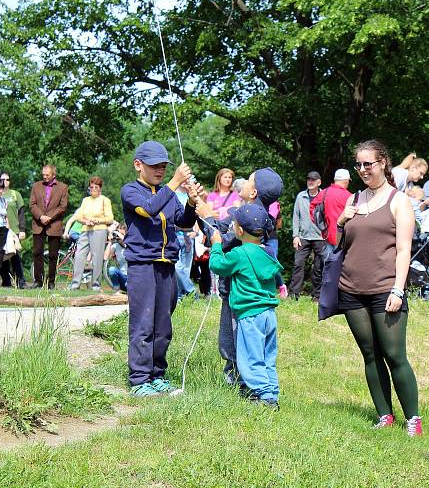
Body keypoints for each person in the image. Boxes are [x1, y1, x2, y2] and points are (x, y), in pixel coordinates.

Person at [337, 139, 421, 437]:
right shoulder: (354, 199)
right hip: (351, 289)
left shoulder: (399, 201)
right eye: (358, 164)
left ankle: (413, 419)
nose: (362, 170)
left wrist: (398, 290)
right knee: (370, 355)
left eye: (368, 164)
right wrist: (341, 221)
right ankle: (385, 414)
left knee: (395, 355)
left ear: (383, 163)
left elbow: (403, 251)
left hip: (385, 290)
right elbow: (340, 244)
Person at [121, 141, 202, 397]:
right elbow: (148, 209)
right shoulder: (130, 191)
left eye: (164, 166)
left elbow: (184, 222)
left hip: (167, 265)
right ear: (138, 165)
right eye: (154, 165)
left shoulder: (167, 193)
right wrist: (175, 183)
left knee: (163, 325)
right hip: (142, 265)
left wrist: (190, 202)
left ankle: (157, 374)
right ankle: (139, 379)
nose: (160, 170)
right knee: (143, 323)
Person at [210, 204, 283, 409]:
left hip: (250, 315)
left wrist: (216, 245)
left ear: (239, 230)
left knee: (250, 357)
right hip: (269, 315)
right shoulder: (269, 253)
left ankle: (265, 396)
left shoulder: (240, 254)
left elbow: (217, 265)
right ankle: (272, 391)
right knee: (267, 356)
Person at [69, 176, 113, 291]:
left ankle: (95, 285)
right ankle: (75, 284)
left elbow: (110, 218)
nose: (93, 189)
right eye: (91, 187)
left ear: (100, 188)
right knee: (79, 256)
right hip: (85, 230)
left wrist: (99, 220)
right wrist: (86, 221)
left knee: (97, 258)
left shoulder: (105, 200)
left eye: (96, 187)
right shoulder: (85, 200)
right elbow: (79, 216)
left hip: (99, 230)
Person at [29, 164, 69, 289]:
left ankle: (51, 282)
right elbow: (32, 204)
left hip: (54, 224)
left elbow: (63, 207)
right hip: (38, 223)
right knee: (37, 253)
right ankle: (38, 281)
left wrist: (49, 217)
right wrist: (41, 216)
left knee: (53, 255)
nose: (44, 177)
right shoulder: (36, 186)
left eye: (47, 175)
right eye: (43, 175)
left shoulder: (63, 187)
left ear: (53, 175)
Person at [289, 171, 326, 300]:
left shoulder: (324, 196)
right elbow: (296, 217)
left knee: (318, 267)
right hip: (303, 236)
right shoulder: (301, 196)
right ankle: (293, 294)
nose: (310, 182)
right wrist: (295, 235)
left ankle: (317, 295)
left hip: (320, 237)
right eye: (308, 179)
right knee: (298, 264)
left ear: (319, 182)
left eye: (313, 180)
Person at [310, 169, 352, 256]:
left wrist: (321, 225)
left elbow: (312, 210)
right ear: (346, 180)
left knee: (328, 267)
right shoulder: (349, 197)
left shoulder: (324, 193)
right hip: (343, 240)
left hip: (327, 238)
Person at [0, 171, 27, 288]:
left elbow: (21, 213)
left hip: (14, 231)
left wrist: (22, 229)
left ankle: (21, 282)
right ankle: (6, 282)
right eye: (3, 179)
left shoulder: (15, 194)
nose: (5, 182)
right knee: (3, 259)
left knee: (16, 258)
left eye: (7, 179)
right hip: (0, 231)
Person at [105, 223, 128, 292]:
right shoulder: (116, 246)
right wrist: (110, 242)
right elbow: (106, 257)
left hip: (133, 279)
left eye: (121, 234)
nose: (118, 236)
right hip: (123, 278)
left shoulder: (131, 244)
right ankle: (117, 290)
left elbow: (127, 245)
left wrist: (121, 236)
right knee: (112, 270)